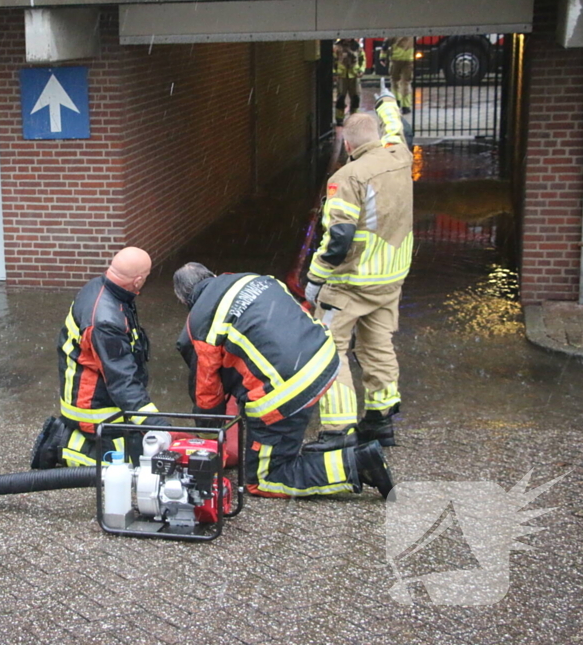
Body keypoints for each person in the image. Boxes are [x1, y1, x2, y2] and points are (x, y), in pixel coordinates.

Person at [173, 262, 394, 499]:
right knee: (279, 427)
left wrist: (210, 442)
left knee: (264, 479)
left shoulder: (199, 324)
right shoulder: (253, 278)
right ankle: (287, 445)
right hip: (324, 358)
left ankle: (358, 465)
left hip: (287, 389)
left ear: (183, 299)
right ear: (212, 274)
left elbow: (207, 394)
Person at [302, 86, 413, 454]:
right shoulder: (399, 155)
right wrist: (386, 101)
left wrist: (315, 279)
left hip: (351, 283)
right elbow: (395, 126)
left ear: (348, 145)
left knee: (329, 349)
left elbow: (339, 238)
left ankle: (338, 430)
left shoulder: (349, 176)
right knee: (378, 345)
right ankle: (380, 421)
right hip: (390, 280)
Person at [31, 247, 169, 469]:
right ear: (137, 280)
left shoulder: (102, 288)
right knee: (132, 465)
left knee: (144, 444)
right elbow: (121, 379)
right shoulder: (105, 320)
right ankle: (61, 443)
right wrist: (157, 423)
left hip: (98, 392)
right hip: (92, 406)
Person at [335, 38, 366, 126]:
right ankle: (339, 118)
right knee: (341, 97)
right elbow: (333, 60)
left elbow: (362, 59)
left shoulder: (357, 46)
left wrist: (361, 70)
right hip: (342, 76)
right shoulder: (337, 47)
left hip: (354, 75)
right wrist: (334, 72)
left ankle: (354, 117)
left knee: (355, 97)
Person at [381, 36, 415, 114]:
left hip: (395, 59)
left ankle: (397, 101)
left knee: (395, 81)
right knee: (406, 83)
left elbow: (386, 44)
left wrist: (382, 57)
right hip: (409, 59)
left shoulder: (395, 31)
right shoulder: (413, 32)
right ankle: (406, 106)